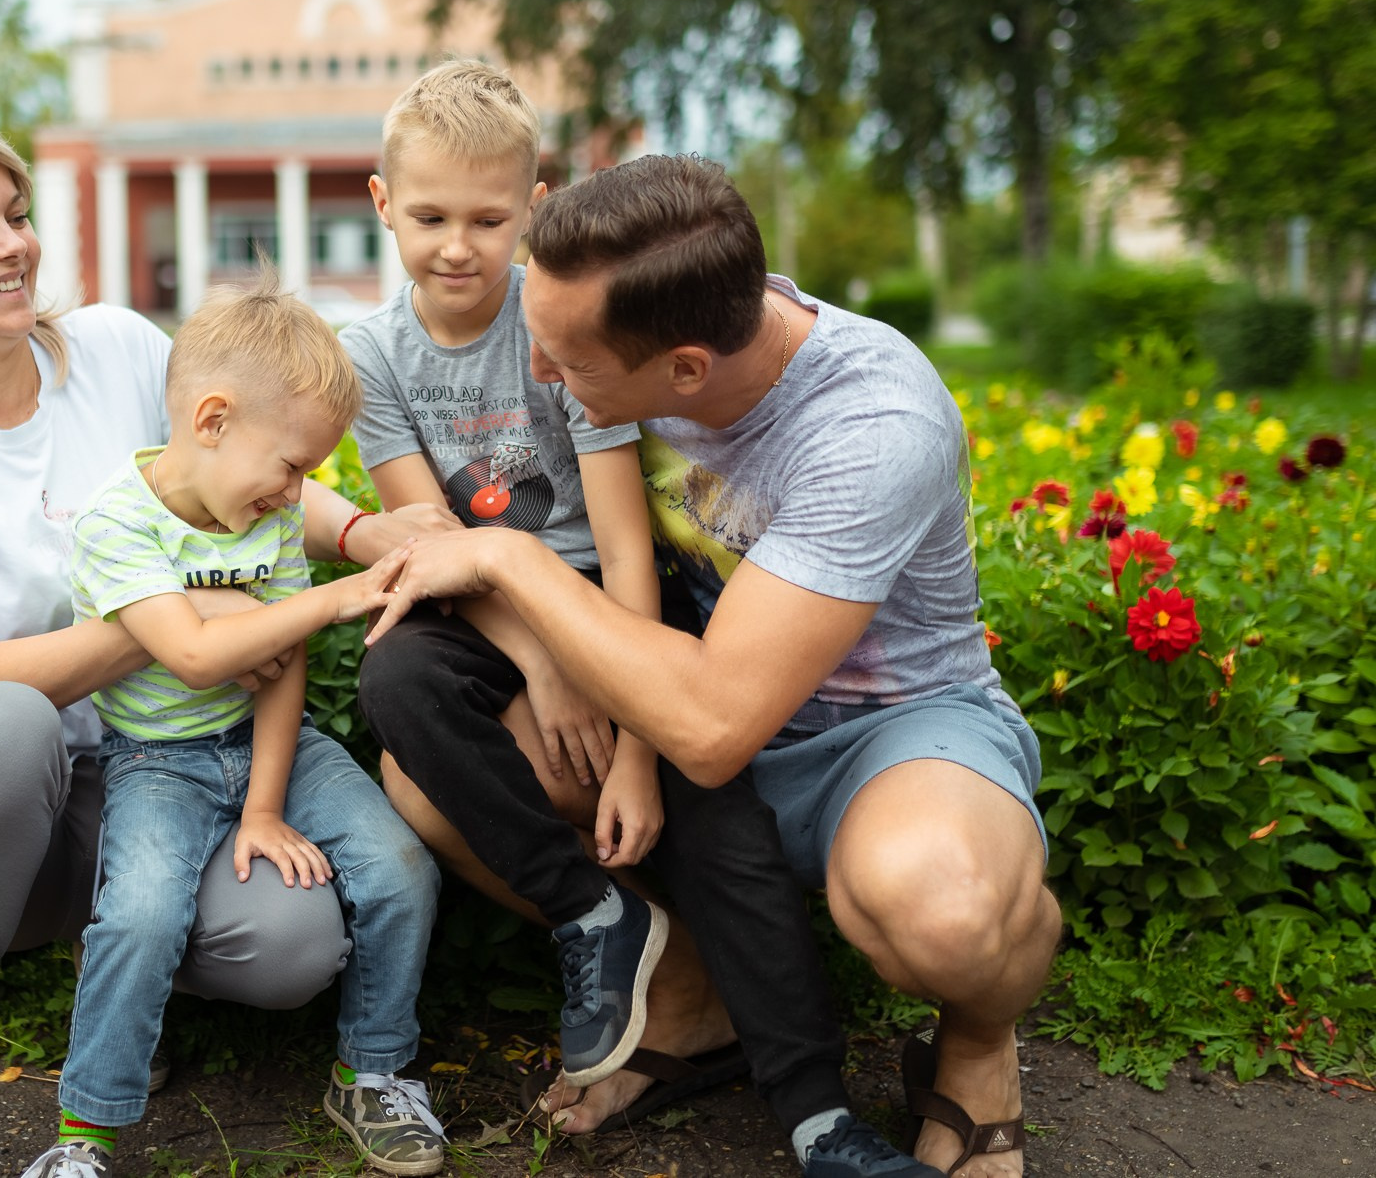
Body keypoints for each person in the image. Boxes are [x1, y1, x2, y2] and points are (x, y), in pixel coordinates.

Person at [0, 113, 449, 1178]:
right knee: (2, 717)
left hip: (162, 765)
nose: (11, 243)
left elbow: (246, 476)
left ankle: (122, 963)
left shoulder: (117, 347)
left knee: (291, 946)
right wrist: (195, 624)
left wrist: (364, 533)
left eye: (16, 214)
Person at [367, 154, 1059, 1178]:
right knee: (427, 782)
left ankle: (972, 1042)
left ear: (684, 372)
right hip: (684, 698)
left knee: (942, 912)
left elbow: (711, 723)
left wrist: (507, 556)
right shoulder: (638, 324)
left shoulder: (871, 422)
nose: (542, 375)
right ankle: (688, 989)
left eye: (567, 359)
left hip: (881, 730)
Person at [16, 280, 441, 1178]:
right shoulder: (116, 523)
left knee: (402, 869)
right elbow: (195, 658)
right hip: (156, 761)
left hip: (267, 739)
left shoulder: (271, 511)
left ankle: (374, 1068)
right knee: (139, 913)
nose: (300, 492)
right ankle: (84, 1133)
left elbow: (279, 673)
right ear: (211, 419)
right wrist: (334, 597)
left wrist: (263, 806)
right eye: (290, 465)